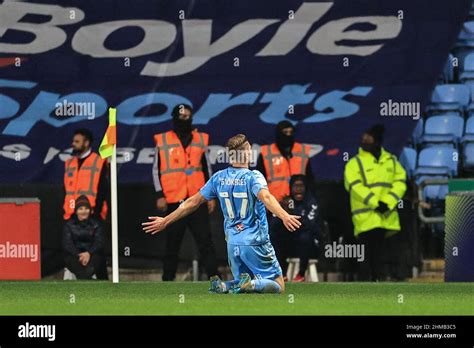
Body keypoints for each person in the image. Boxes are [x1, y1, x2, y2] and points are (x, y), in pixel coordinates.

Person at [143, 134, 302, 294]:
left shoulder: (219, 178)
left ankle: (224, 286)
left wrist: (165, 221)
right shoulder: (253, 177)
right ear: (246, 153)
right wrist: (285, 216)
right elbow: (266, 197)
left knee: (243, 284)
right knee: (278, 285)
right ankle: (250, 284)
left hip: (233, 244)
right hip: (255, 241)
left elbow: (192, 202)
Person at [152, 104, 218, 281]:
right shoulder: (163, 140)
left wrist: (211, 195)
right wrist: (160, 194)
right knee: (172, 243)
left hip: (197, 199)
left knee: (205, 241)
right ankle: (168, 280)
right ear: (174, 118)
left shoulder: (200, 139)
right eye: (182, 116)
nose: (185, 120)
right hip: (175, 199)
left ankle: (215, 279)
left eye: (188, 116)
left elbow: (207, 168)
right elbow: (156, 170)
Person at [344, 124, 407, 281]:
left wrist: (388, 202)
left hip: (388, 218)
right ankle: (367, 287)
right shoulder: (354, 163)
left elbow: (400, 182)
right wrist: (375, 203)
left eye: (368, 137)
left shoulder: (391, 161)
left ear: (377, 140)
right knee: (366, 257)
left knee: (386, 256)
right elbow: (354, 186)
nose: (364, 140)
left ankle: (387, 283)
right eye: (363, 137)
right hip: (366, 218)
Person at [270, 175, 320, 282]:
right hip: (289, 243)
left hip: (308, 246)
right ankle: (281, 272)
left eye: (301, 186)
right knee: (275, 236)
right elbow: (273, 225)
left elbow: (309, 225)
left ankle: (301, 273)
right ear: (291, 188)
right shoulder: (285, 202)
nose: (298, 189)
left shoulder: (311, 202)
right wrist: (283, 214)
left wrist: (292, 214)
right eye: (295, 186)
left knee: (305, 237)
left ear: (305, 188)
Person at [257, 120, 314, 203]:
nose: (288, 135)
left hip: (299, 203)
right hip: (275, 203)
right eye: (285, 132)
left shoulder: (302, 151)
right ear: (279, 133)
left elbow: (310, 179)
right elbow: (259, 182)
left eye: (291, 132)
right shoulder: (266, 153)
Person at [63, 128, 108, 221]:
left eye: (77, 141)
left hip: (92, 214)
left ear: (86, 143)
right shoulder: (69, 162)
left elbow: (102, 189)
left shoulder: (98, 162)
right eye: (73, 141)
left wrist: (97, 212)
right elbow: (66, 190)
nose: (73, 144)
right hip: (71, 215)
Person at [63, 195, 106, 280]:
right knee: (75, 264)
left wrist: (88, 253)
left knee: (95, 263)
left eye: (86, 209)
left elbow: (99, 242)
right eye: (80, 209)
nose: (84, 211)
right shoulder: (69, 225)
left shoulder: (96, 224)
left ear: (90, 210)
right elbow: (67, 244)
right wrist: (79, 255)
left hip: (92, 255)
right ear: (76, 211)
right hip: (74, 256)